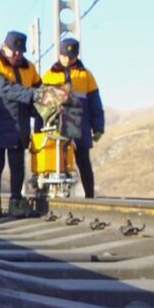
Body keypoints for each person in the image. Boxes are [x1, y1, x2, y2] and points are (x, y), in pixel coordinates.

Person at [0, 31, 42, 218]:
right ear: (4, 47)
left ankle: (16, 200)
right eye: (13, 51)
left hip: (19, 123)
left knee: (17, 165)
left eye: (20, 52)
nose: (17, 55)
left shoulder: (29, 68)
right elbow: (1, 88)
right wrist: (32, 94)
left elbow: (39, 90)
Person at [41, 38, 104, 198]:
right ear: (60, 54)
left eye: (72, 56)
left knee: (84, 163)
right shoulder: (48, 75)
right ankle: (53, 195)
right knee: (56, 163)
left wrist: (98, 127)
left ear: (77, 55)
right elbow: (41, 107)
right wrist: (38, 130)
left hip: (80, 126)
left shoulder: (86, 76)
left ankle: (90, 196)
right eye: (65, 56)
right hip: (56, 127)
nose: (68, 59)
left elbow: (95, 103)